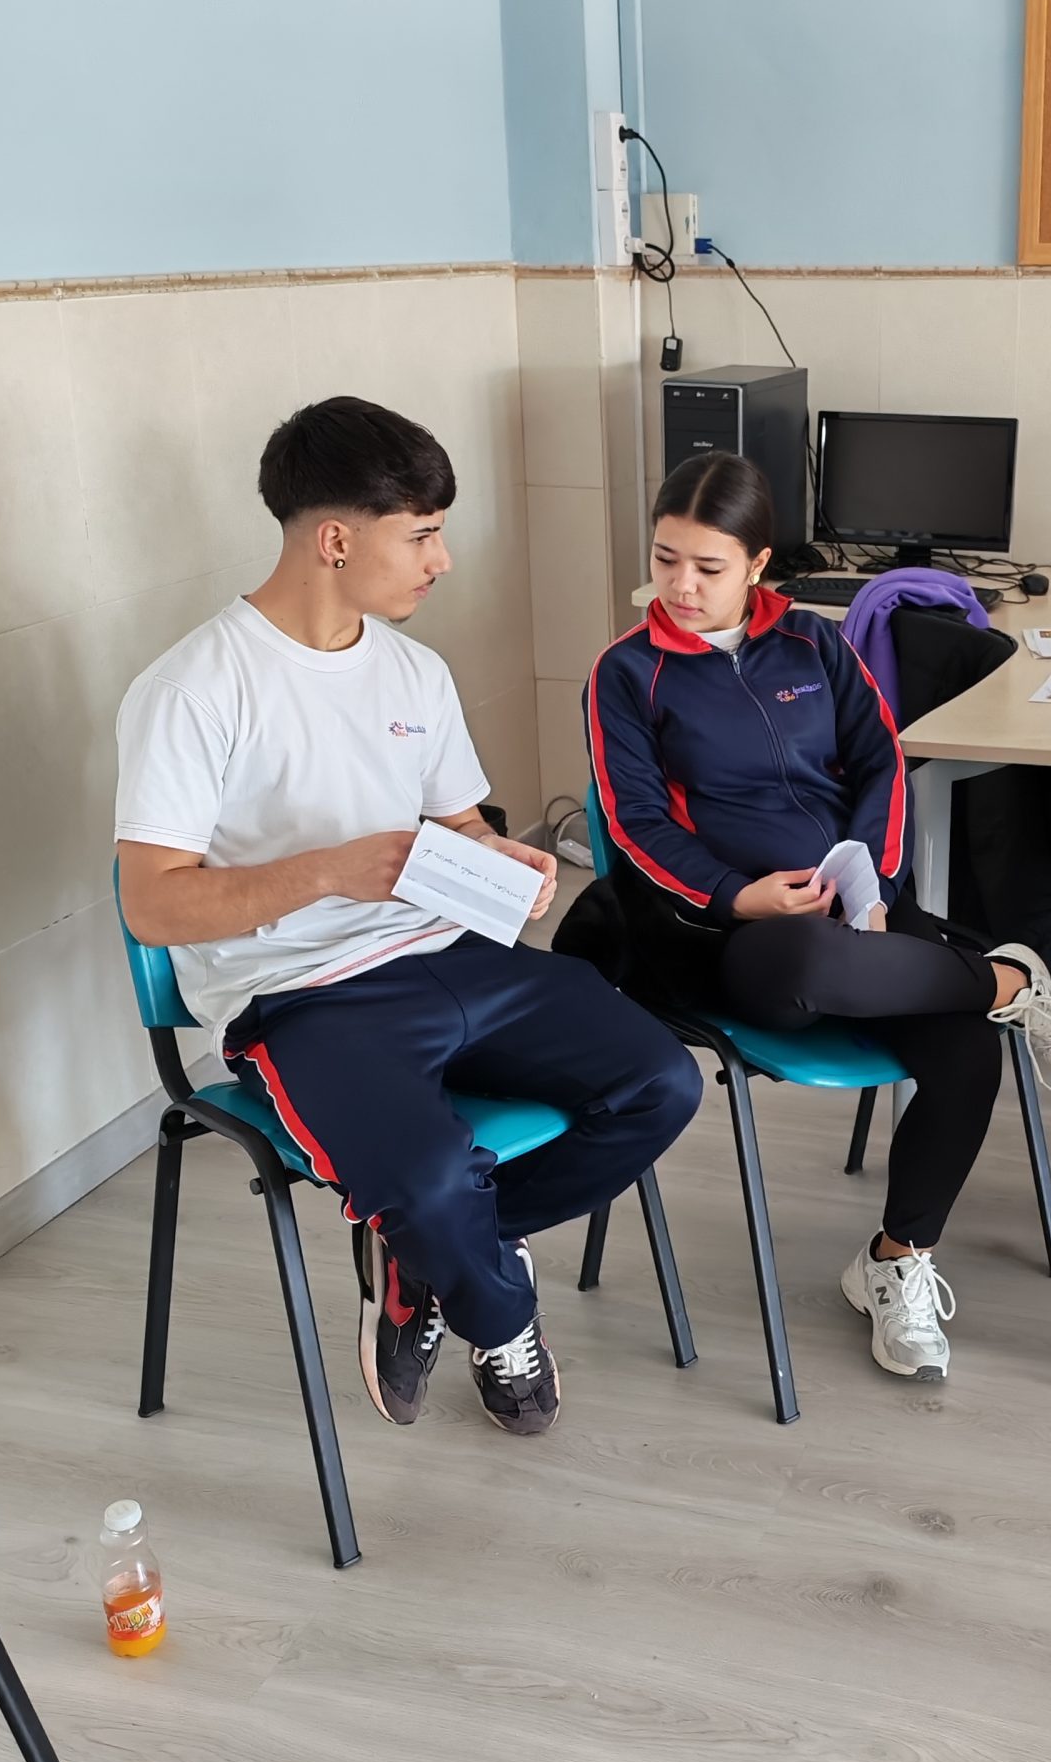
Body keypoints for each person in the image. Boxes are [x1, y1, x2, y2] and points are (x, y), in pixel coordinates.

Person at [115, 396, 701, 1438]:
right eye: (421, 534)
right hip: (302, 997)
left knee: (659, 1082)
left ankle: (436, 1257)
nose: (442, 559)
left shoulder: (413, 673)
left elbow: (456, 828)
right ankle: (495, 1303)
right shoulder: (194, 688)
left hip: (458, 957)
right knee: (430, 1177)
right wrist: (330, 871)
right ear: (337, 538)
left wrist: (496, 861)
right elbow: (154, 904)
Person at [582, 451, 1051, 1385]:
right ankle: (1010, 981)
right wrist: (736, 895)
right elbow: (632, 823)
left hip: (851, 913)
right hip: (719, 936)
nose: (679, 586)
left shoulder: (815, 646)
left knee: (962, 1045)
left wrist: (870, 882)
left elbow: (881, 766)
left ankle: (895, 1259)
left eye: (708, 568)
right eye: (667, 559)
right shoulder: (627, 674)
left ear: (758, 565)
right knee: (804, 969)